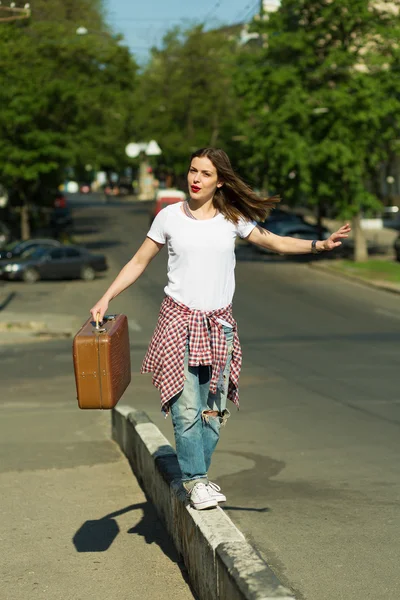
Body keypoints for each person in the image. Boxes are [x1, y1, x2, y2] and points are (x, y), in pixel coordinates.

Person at [89, 147, 351, 510]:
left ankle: (199, 478)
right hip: (179, 322)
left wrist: (318, 244)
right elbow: (138, 261)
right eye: (193, 171)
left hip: (220, 326)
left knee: (212, 411)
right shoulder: (168, 217)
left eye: (205, 174)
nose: (196, 179)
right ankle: (196, 480)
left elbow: (272, 241)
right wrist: (106, 296)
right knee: (186, 407)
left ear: (220, 181)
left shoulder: (233, 218)